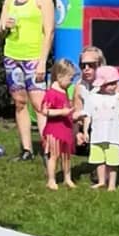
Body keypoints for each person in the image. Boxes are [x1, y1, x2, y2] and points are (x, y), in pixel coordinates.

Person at [0, 0, 54, 161]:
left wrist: (42, 62)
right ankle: (27, 150)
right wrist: (4, 26)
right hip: (12, 56)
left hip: (33, 57)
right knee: (20, 103)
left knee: (39, 104)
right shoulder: (9, 0)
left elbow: (49, 32)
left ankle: (48, 149)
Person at [82, 64, 119, 191]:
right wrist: (85, 131)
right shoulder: (92, 97)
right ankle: (101, 181)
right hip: (97, 135)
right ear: (101, 84)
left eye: (115, 83)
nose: (113, 86)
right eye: (109, 84)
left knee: (113, 161)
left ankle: (112, 184)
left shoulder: (117, 98)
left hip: (112, 136)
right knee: (98, 159)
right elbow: (88, 115)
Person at [42, 59, 77, 190]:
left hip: (65, 129)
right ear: (60, 76)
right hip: (54, 130)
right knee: (54, 155)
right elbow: (44, 110)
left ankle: (68, 178)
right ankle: (51, 180)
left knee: (66, 156)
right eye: (70, 79)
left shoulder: (64, 91)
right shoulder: (52, 93)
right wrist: (62, 112)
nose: (71, 82)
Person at [72, 45, 106, 155]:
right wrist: (77, 133)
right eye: (83, 66)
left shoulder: (109, 84)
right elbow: (76, 115)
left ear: (100, 65)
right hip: (89, 125)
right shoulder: (80, 86)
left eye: (91, 65)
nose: (86, 69)